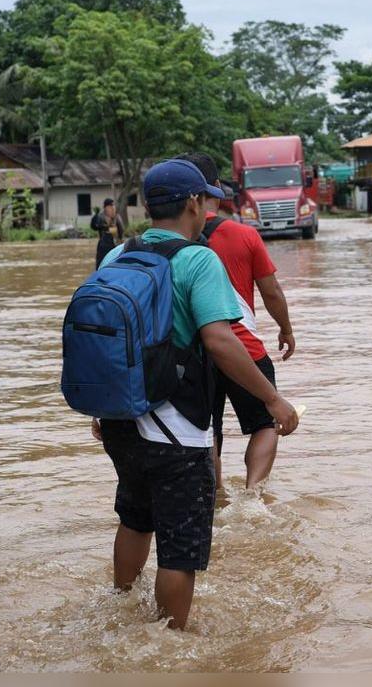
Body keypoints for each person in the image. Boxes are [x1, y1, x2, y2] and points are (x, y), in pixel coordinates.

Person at [91, 159, 299, 630]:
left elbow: (104, 337)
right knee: (180, 548)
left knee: (135, 517)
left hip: (121, 421)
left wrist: (105, 408)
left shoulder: (115, 255)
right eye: (204, 199)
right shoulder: (196, 258)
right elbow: (221, 340)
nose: (207, 207)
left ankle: (121, 604)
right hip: (177, 429)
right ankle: (171, 644)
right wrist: (272, 400)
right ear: (192, 203)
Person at [173, 152, 295, 490]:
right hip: (244, 349)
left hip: (195, 353)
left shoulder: (168, 241)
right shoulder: (244, 236)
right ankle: (253, 494)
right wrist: (286, 329)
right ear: (215, 189)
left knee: (205, 431)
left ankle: (215, 497)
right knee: (266, 424)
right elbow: (271, 291)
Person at [91, 197, 126, 268]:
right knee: (102, 266)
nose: (113, 208)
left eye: (113, 206)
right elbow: (94, 226)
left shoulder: (117, 217)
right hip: (103, 246)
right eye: (110, 207)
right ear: (105, 208)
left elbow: (121, 232)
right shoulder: (100, 217)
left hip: (116, 245)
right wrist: (95, 216)